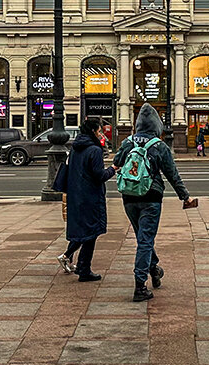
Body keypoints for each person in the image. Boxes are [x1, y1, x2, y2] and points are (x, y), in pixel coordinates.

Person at [113, 104, 198, 302]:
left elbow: (117, 163)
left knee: (142, 237)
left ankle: (154, 269)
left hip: (129, 197)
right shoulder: (159, 146)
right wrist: (185, 197)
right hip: (151, 197)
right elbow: (172, 175)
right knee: (145, 240)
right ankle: (140, 286)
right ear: (156, 126)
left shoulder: (127, 142)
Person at [62, 117, 116, 282]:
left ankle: (72, 258)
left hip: (76, 195)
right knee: (91, 233)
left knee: (82, 231)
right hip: (90, 196)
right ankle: (84, 269)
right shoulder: (95, 150)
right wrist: (113, 169)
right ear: (94, 131)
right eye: (99, 131)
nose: (101, 134)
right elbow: (99, 176)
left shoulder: (75, 148)